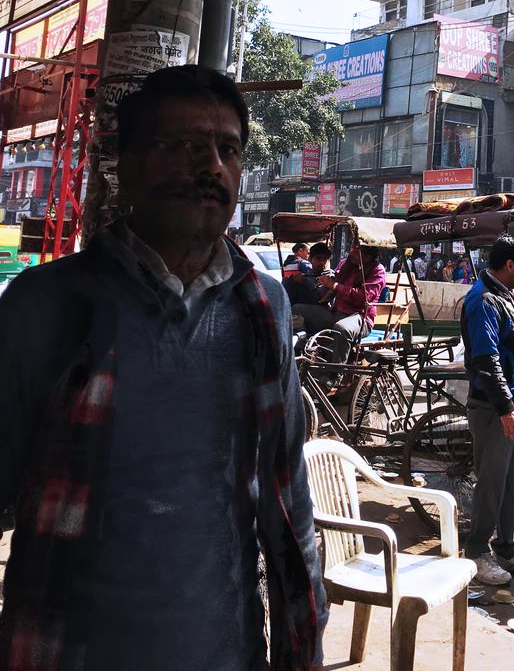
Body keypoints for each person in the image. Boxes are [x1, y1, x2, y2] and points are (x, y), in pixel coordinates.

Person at [0, 65, 326, 670]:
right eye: (177, 145)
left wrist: (302, 645)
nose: (207, 167)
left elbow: (288, 501)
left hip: (226, 648)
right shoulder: (43, 307)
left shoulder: (265, 308)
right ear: (123, 165)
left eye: (226, 149)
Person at [461, 235, 514, 586]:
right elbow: (486, 358)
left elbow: (511, 338)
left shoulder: (503, 295)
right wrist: (505, 407)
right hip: (494, 408)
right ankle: (477, 551)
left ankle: (508, 548)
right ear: (509, 265)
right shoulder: (482, 299)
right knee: (492, 484)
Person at [295, 244, 386, 350]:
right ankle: (300, 350)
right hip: (336, 313)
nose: (351, 254)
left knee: (342, 328)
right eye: (352, 250)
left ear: (367, 257)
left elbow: (363, 297)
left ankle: (337, 365)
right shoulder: (346, 263)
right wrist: (326, 290)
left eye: (356, 252)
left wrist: (335, 286)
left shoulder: (377, 270)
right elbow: (334, 283)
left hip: (359, 317)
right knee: (297, 309)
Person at [284, 241, 335, 318]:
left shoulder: (330, 276)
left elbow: (320, 298)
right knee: (289, 282)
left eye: (324, 259)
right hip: (304, 309)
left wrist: (305, 282)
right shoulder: (306, 274)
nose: (321, 262)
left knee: (296, 308)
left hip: (323, 311)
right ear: (310, 259)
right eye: (318, 258)